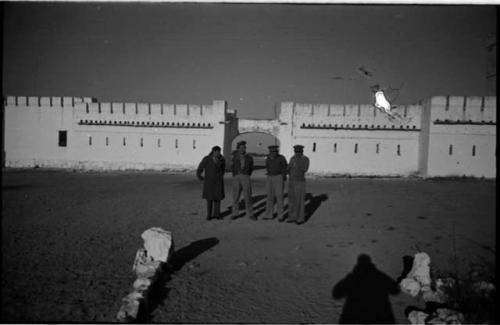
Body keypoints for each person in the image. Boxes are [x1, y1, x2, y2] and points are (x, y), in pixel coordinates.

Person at [196, 146, 225, 220]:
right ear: (213, 151)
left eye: (219, 151)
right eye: (216, 151)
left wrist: (220, 176)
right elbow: (200, 167)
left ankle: (217, 215)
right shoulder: (207, 159)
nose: (217, 153)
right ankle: (209, 215)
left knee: (217, 199)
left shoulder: (222, 159)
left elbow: (223, 170)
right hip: (209, 182)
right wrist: (200, 176)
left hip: (218, 182)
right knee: (209, 199)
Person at [231, 140, 256, 220]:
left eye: (244, 148)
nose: (243, 149)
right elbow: (232, 167)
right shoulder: (234, 157)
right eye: (241, 148)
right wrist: (235, 175)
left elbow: (251, 168)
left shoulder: (249, 157)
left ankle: (250, 214)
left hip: (246, 176)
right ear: (238, 148)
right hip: (236, 177)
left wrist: (247, 174)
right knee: (236, 196)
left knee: (248, 196)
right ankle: (235, 213)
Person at [263, 145, 288, 221]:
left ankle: (280, 216)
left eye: (274, 151)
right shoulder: (268, 158)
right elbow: (267, 166)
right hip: (269, 177)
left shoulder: (281, 158)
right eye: (271, 151)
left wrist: (283, 176)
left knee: (279, 197)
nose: (273, 152)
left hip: (278, 177)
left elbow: (285, 167)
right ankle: (269, 215)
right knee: (269, 197)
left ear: (277, 151)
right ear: (270, 151)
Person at [286, 144, 310, 224]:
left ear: (302, 151)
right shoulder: (292, 158)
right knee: (291, 200)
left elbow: (304, 169)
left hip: (300, 181)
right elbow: (289, 168)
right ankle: (292, 217)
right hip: (291, 181)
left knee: (299, 201)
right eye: (296, 151)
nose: (297, 153)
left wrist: (298, 160)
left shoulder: (305, 159)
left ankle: (300, 218)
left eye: (299, 152)